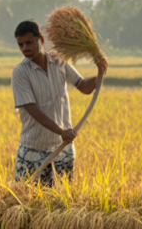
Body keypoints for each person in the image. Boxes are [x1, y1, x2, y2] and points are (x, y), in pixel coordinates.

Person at [11, 20, 105, 185]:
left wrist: (100, 72)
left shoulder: (59, 60)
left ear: (41, 39)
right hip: (33, 148)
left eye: (29, 43)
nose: (25, 48)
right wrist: (61, 131)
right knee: (28, 201)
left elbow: (83, 86)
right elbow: (32, 109)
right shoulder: (20, 72)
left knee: (61, 202)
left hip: (62, 147)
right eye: (20, 45)